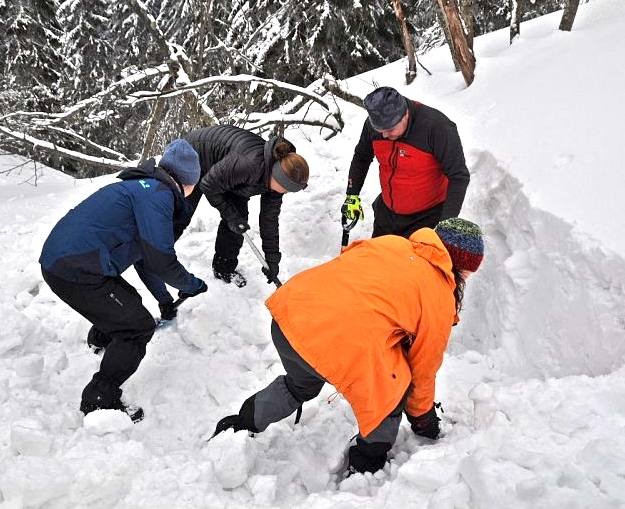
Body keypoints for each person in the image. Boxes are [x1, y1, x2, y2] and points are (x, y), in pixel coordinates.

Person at [213, 218, 485, 474]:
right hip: (336, 342)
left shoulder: (391, 242)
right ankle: (365, 465)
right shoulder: (439, 295)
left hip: (290, 317)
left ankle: (241, 423)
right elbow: (422, 371)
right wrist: (423, 421)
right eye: (469, 271)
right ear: (459, 265)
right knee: (394, 387)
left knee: (302, 383)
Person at [39, 139, 208, 421]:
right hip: (75, 270)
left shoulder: (146, 188)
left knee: (129, 303)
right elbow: (160, 258)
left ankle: (100, 340)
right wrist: (191, 285)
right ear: (189, 181)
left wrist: (165, 300)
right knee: (138, 327)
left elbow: (145, 259)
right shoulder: (158, 195)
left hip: (65, 262)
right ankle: (99, 398)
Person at [176, 125, 310, 288]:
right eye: (287, 189)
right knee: (181, 214)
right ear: (277, 177)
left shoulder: (277, 179)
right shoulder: (249, 164)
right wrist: (231, 216)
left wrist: (272, 259)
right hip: (193, 156)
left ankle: (223, 267)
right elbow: (208, 185)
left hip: (226, 171)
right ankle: (157, 257)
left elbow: (269, 219)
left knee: (239, 221)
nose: (286, 192)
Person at [342, 86, 470, 238]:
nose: (383, 135)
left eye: (389, 129)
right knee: (378, 260)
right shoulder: (375, 127)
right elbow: (362, 156)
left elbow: (459, 176)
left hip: (426, 219)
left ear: (405, 114)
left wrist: (446, 225)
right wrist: (352, 193)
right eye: (380, 129)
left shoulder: (436, 127)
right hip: (387, 215)